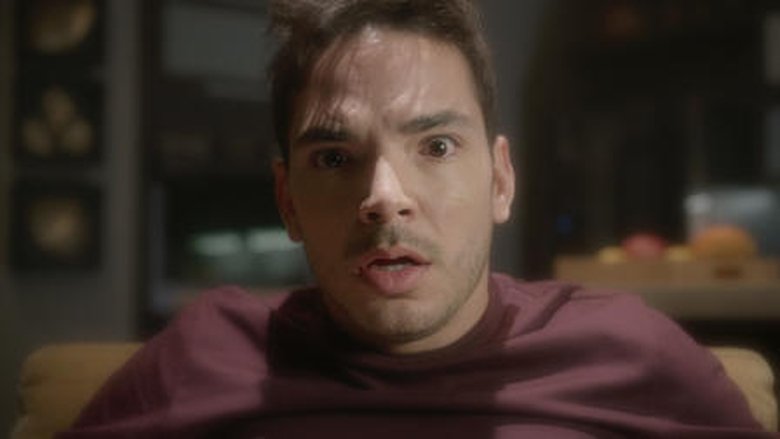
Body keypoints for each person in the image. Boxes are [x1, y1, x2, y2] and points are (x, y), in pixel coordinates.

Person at [59, 0, 772, 437]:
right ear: (287, 202)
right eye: (334, 158)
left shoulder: (629, 351)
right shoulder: (205, 355)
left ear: (500, 179)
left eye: (435, 146)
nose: (385, 195)